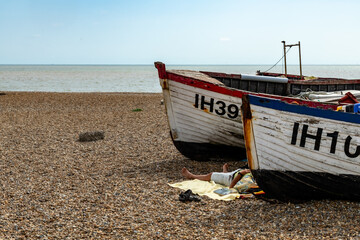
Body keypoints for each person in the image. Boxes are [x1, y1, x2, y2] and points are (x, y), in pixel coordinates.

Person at [181, 163, 251, 189]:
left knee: (210, 175)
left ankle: (192, 176)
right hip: (235, 173)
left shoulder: (250, 182)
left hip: (230, 179)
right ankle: (225, 172)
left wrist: (242, 173)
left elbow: (232, 185)